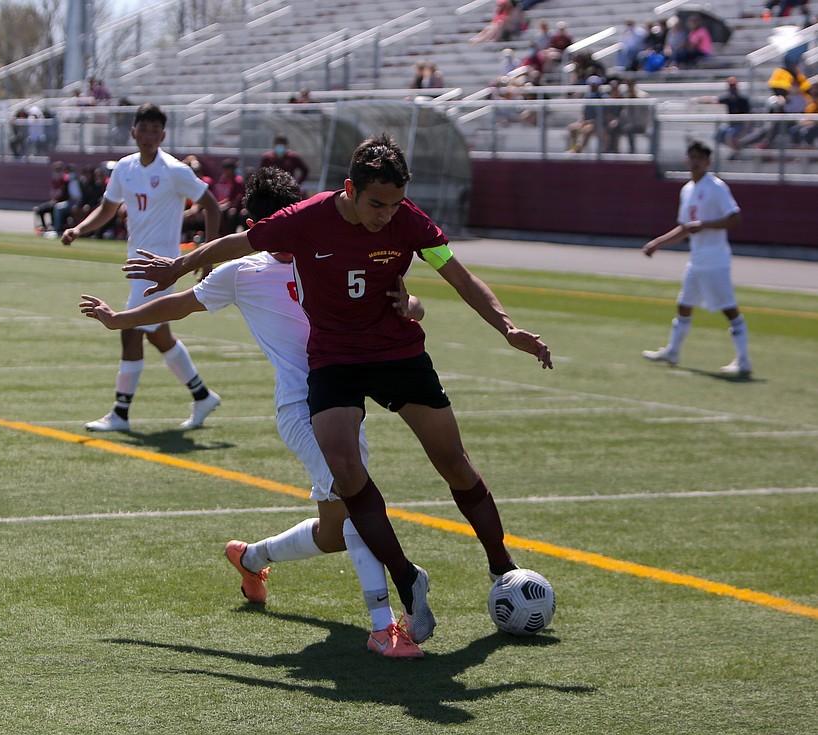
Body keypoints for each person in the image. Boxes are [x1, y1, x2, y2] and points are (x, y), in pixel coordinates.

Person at [125, 134, 553, 645]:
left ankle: (501, 566)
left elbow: (458, 277)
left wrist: (506, 328)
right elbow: (239, 243)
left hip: (396, 354)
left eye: (394, 204)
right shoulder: (307, 218)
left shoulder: (409, 221)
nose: (385, 215)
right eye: (376, 204)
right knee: (347, 475)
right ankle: (405, 582)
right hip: (334, 361)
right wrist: (175, 266)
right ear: (350, 189)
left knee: (452, 462)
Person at [80, 168, 426, 657]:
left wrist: (411, 305)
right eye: (274, 228)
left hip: (346, 399)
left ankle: (252, 557)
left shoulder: (328, 250)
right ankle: (382, 625)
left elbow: (391, 296)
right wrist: (119, 318)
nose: (288, 238)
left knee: (334, 532)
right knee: (358, 505)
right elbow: (179, 305)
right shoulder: (242, 272)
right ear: (255, 227)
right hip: (301, 406)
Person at [61, 103, 223, 432]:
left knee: (129, 329)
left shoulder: (174, 170)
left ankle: (121, 413)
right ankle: (202, 395)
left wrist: (205, 256)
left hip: (161, 269)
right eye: (143, 129)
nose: (148, 136)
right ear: (133, 131)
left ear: (163, 136)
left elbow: (211, 207)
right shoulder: (124, 168)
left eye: (155, 131)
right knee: (159, 335)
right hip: (135, 265)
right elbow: (108, 209)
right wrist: (80, 229)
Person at [642, 140, 750, 377]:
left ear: (708, 162)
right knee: (684, 305)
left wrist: (705, 225)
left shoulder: (716, 187)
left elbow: (735, 218)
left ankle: (743, 360)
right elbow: (684, 228)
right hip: (697, 259)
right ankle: (673, 351)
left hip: (715, 259)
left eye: (700, 158)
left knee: (729, 310)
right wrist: (657, 243)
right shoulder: (688, 189)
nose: (695, 161)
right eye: (692, 157)